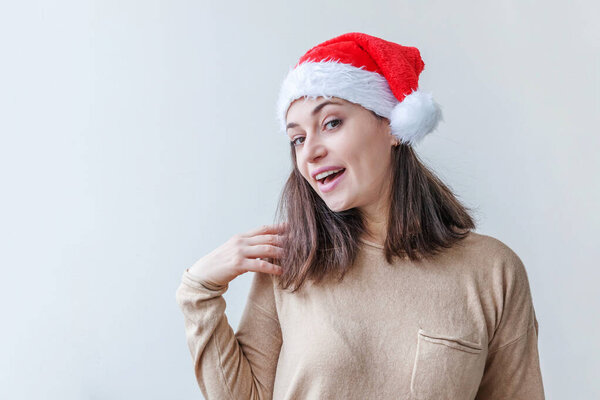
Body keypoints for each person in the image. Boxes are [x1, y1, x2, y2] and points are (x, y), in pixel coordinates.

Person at [175, 32, 545, 399]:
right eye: (298, 138)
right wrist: (200, 291)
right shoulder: (292, 260)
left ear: (392, 127)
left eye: (331, 123)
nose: (310, 152)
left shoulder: (493, 271)